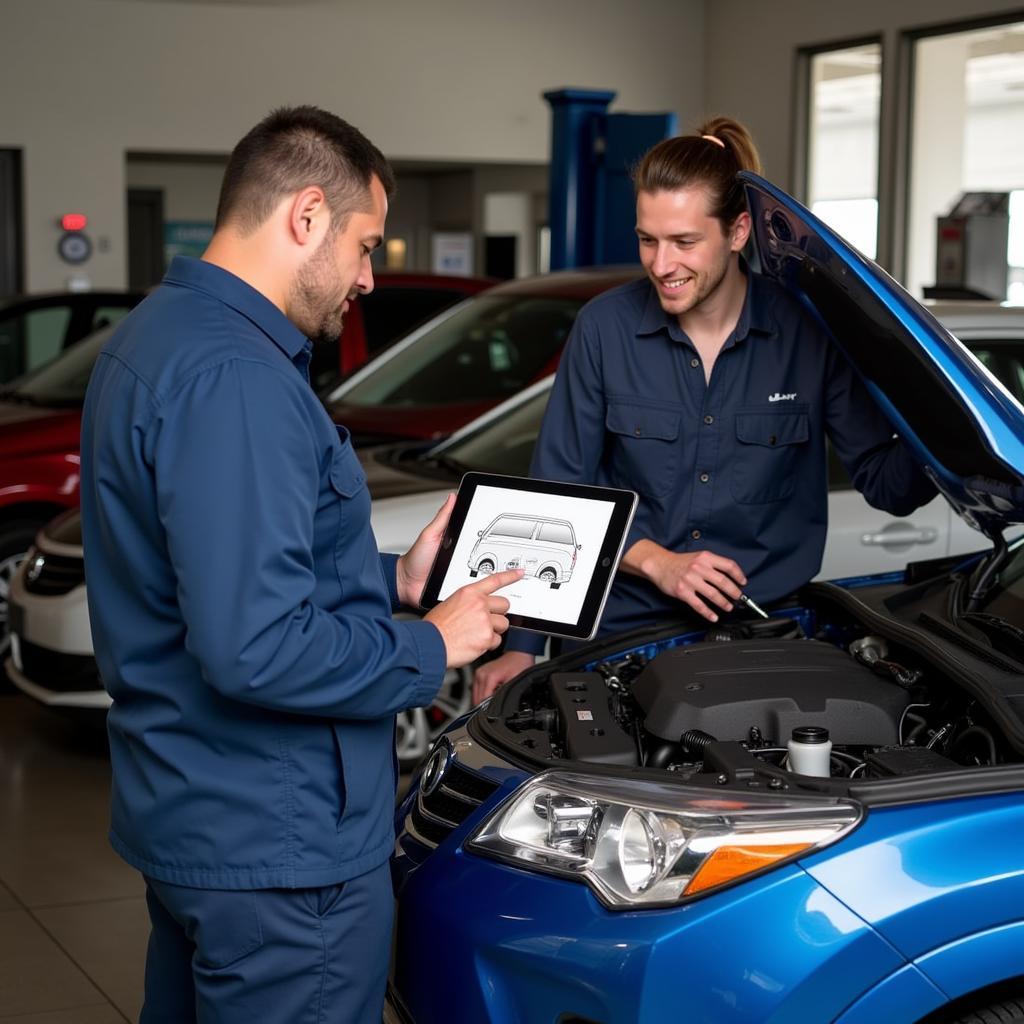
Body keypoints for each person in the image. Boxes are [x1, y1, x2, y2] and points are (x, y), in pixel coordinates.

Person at [80, 106, 520, 1024]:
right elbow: (256, 648)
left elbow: (221, 565)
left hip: (193, 812)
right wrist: (429, 644)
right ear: (306, 215)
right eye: (365, 245)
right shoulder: (237, 377)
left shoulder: (156, 336)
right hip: (279, 852)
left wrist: (393, 578)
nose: (367, 276)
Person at [473, 116, 936, 702]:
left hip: (765, 640)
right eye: (648, 239)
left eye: (685, 242)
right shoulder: (604, 329)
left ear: (739, 231)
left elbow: (886, 484)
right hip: (618, 637)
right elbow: (559, 496)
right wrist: (524, 647)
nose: (661, 264)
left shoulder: (809, 334)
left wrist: (942, 426)